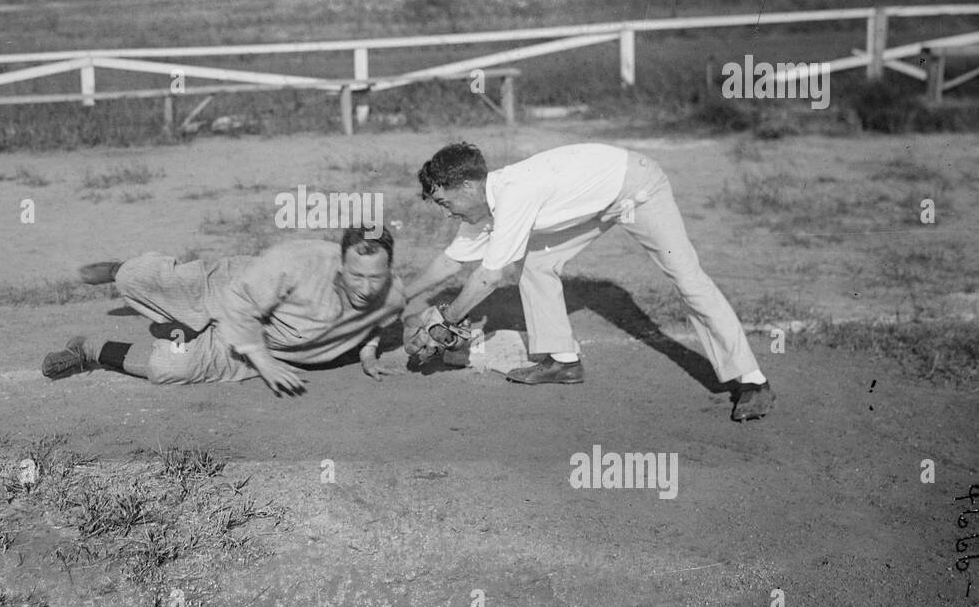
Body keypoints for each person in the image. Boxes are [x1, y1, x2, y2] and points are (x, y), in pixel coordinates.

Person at [404, 142, 775, 421]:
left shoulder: (515, 195)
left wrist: (446, 320)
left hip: (638, 187)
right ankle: (562, 361)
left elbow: (489, 276)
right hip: (600, 198)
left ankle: (752, 381)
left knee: (687, 278)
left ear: (467, 187)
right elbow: (451, 261)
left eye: (443, 201)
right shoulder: (484, 205)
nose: (446, 211)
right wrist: (400, 298)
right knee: (536, 259)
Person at [42, 227, 405, 396]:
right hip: (233, 288)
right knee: (151, 283)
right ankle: (124, 268)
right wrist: (262, 363)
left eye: (377, 278)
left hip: (261, 342)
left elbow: (374, 321)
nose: (367, 287)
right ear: (341, 267)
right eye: (357, 276)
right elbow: (239, 303)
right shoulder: (300, 266)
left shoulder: (391, 294)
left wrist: (369, 353)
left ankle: (87, 349)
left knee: (170, 368)